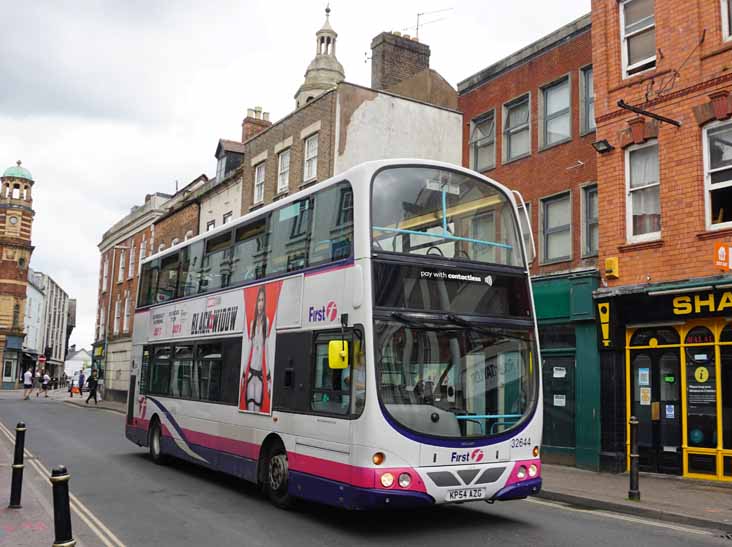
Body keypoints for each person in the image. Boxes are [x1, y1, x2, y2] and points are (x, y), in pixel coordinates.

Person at [241, 286, 271, 412]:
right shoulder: (252, 323)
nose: (260, 303)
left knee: (257, 411)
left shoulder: (267, 322)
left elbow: (267, 350)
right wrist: (243, 373)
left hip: (259, 376)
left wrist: (269, 377)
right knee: (249, 409)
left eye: (262, 300)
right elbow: (249, 349)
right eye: (259, 300)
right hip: (250, 374)